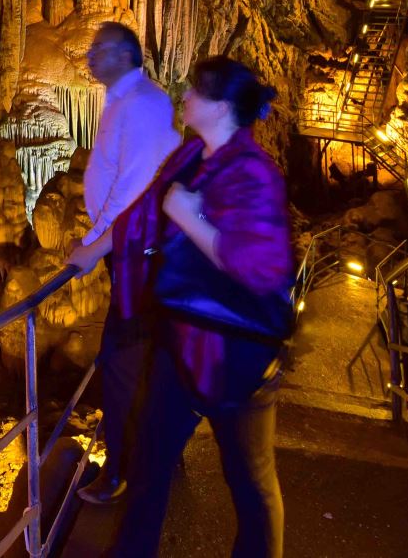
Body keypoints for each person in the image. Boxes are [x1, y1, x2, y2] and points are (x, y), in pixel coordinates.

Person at [72, 56, 294, 558]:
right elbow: (145, 214)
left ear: (221, 106)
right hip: (182, 344)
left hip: (238, 356)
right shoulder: (190, 156)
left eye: (196, 90)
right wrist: (94, 250)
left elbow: (261, 267)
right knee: (149, 464)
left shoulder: (254, 174)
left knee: (251, 483)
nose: (186, 96)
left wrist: (192, 219)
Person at [66, 23, 179, 504]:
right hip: (132, 254)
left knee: (121, 365)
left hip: (142, 259)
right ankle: (154, 460)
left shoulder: (144, 104)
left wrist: (94, 246)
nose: (91, 55)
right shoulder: (121, 102)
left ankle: (122, 474)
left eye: (100, 48)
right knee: (138, 363)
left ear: (126, 55)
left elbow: (134, 191)